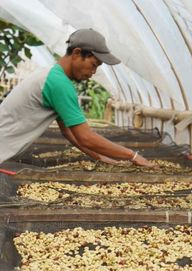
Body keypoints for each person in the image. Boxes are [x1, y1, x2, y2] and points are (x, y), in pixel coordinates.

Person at [0, 28, 153, 168]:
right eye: (93, 64)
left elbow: (69, 132)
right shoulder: (59, 83)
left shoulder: (52, 75)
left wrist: (98, 156)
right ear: (77, 53)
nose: (93, 72)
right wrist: (132, 156)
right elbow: (85, 137)